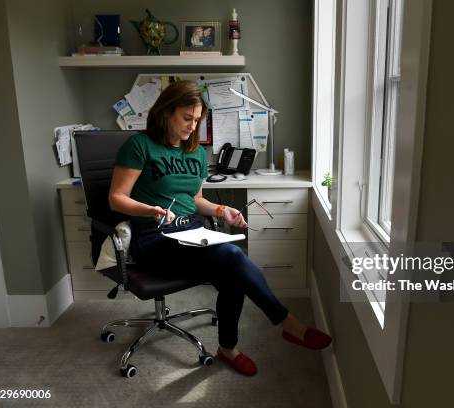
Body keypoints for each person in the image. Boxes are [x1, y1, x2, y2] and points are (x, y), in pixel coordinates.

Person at [109, 80, 332, 376]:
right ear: (166, 112)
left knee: (232, 270)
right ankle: (288, 324)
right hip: (155, 237)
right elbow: (116, 198)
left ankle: (228, 349)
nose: (192, 125)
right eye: (186, 118)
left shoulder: (196, 154)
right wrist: (151, 210)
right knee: (234, 258)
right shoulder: (140, 146)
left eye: (197, 119)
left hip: (191, 232)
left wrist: (221, 210)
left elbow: (196, 199)